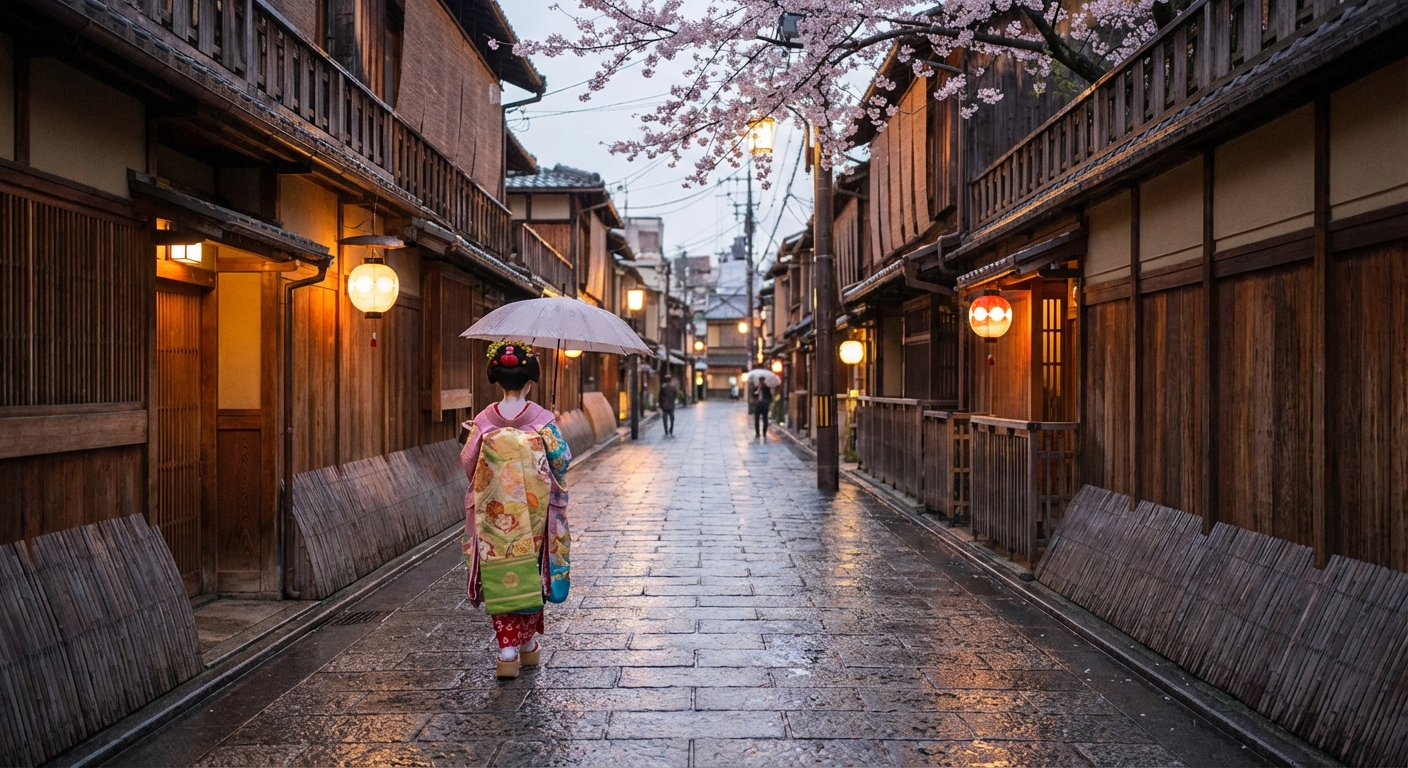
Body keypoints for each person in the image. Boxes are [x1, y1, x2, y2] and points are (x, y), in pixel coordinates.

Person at [459, 341, 571, 679]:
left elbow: (468, 463)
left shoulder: (483, 419)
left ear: (498, 379)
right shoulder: (542, 419)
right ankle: (521, 646)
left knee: (500, 573)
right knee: (530, 571)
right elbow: (562, 462)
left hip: (493, 515)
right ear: (529, 382)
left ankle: (511, 648)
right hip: (533, 515)